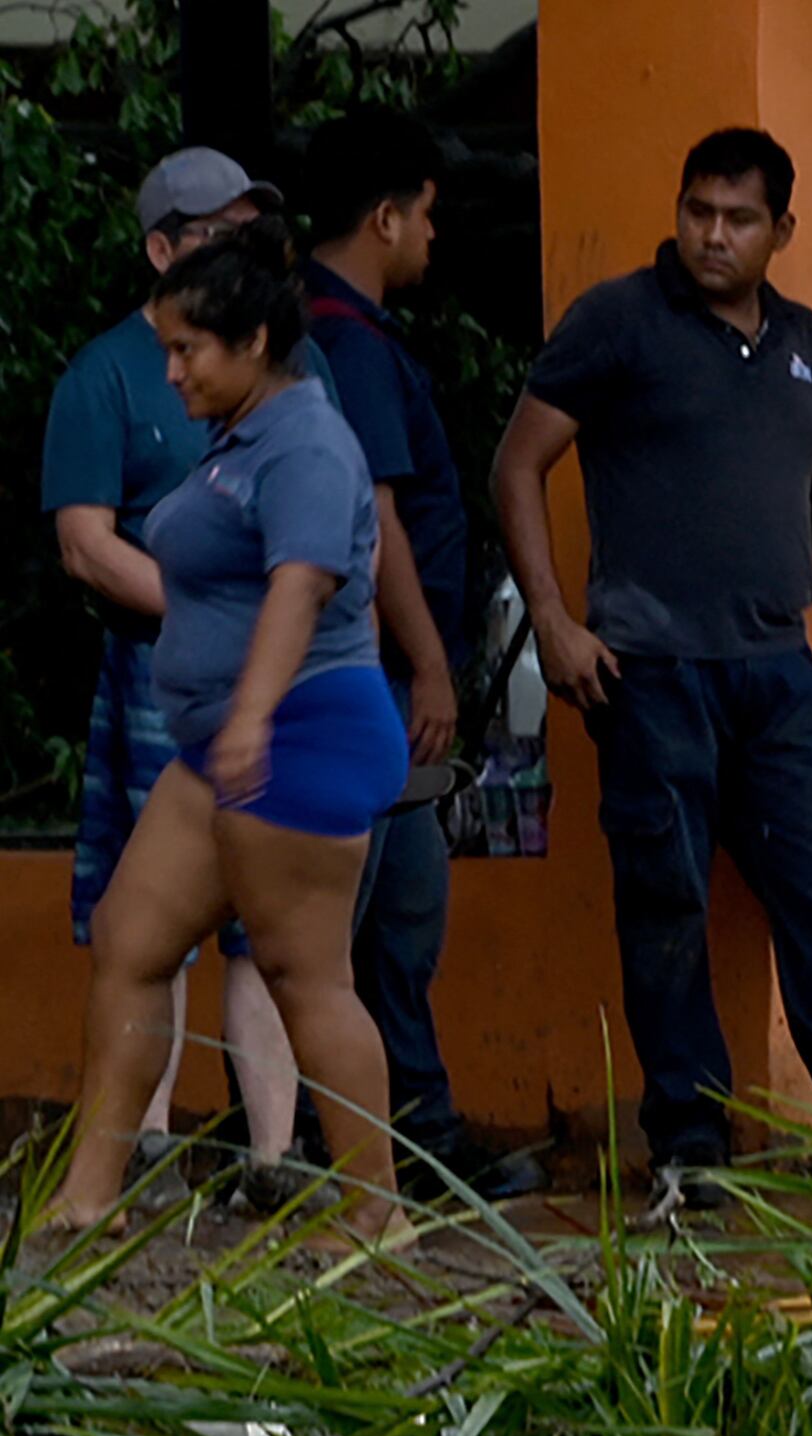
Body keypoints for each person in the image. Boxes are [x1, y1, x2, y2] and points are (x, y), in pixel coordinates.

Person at [491, 127, 812, 1204]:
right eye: (697, 211)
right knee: (665, 903)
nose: (711, 235)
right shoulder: (618, 322)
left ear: (782, 230)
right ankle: (689, 1148)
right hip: (649, 673)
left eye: (737, 219)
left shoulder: (805, 341)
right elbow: (517, 464)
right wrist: (554, 621)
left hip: (780, 675)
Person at [45, 220, 408, 1238]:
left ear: (253, 341)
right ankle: (87, 1198)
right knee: (129, 937)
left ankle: (377, 1214)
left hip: (296, 736)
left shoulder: (308, 441)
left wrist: (250, 717)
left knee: (304, 976)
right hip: (224, 745)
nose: (168, 372)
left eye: (186, 351)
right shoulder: (236, 436)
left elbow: (306, 582)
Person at [40, 148, 322, 1207]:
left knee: (273, 918)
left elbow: (342, 531)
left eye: (256, 228)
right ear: (161, 249)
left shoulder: (297, 367)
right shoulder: (106, 373)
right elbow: (84, 542)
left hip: (287, 676)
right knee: (145, 917)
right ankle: (146, 1144)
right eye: (219, 230)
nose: (247, 247)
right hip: (162, 672)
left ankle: (274, 1153)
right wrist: (212, 607)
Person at [300, 107, 536, 1202]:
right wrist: (431, 664)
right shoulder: (347, 342)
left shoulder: (341, 335)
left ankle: (410, 1125)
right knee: (379, 916)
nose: (436, 238)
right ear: (386, 216)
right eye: (429, 216)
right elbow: (380, 517)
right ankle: (377, 1137)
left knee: (397, 912)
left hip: (380, 671)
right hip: (381, 675)